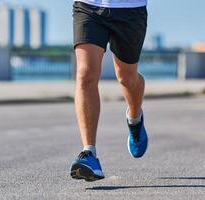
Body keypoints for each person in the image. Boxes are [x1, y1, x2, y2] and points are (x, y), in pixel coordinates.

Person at [70, 0, 149, 182]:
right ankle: (89, 152)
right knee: (85, 74)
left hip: (131, 10)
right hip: (88, 6)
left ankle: (135, 119)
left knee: (127, 77)